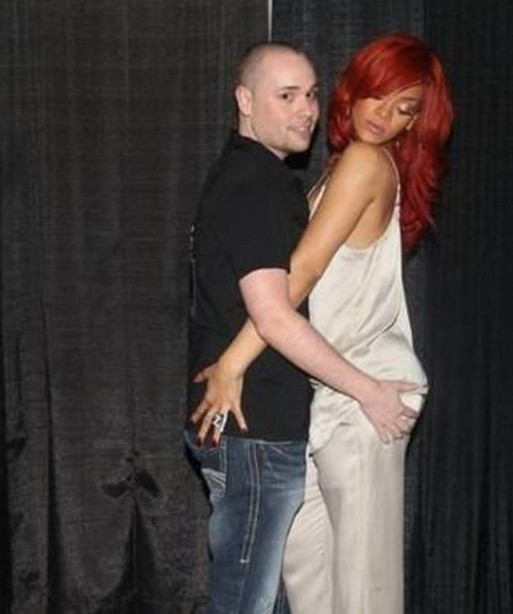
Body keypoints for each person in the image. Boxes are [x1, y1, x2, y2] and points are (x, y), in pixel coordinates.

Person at [195, 34, 453, 612]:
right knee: (308, 578)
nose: (385, 115)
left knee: (364, 590)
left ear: (416, 122)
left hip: (366, 392)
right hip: (327, 394)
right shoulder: (340, 167)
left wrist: (231, 363)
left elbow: (303, 273)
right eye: (379, 95)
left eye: (405, 108)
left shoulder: (365, 163)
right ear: (355, 89)